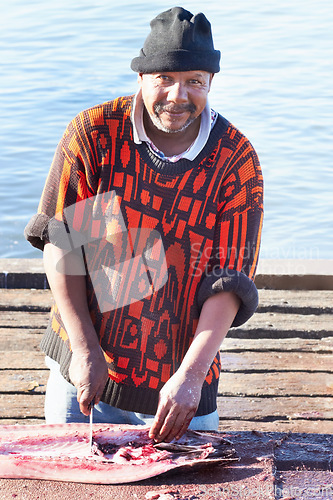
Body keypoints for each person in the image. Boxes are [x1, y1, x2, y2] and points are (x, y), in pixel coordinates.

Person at [24, 6, 263, 443]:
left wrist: (191, 376)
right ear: (141, 78)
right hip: (85, 372)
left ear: (211, 83)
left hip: (182, 390)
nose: (178, 95)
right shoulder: (95, 136)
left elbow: (228, 281)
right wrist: (83, 348)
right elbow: (61, 242)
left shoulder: (235, 162)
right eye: (164, 80)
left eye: (195, 81)